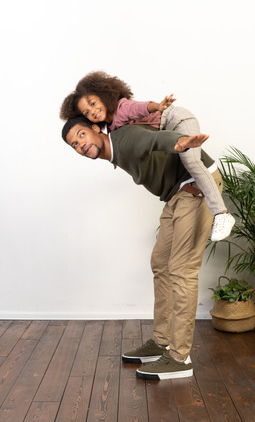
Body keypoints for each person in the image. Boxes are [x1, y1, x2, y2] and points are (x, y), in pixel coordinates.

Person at [61, 115, 222, 380]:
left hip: (196, 186)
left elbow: (154, 139)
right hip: (177, 194)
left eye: (81, 136)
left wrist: (182, 142)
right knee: (160, 263)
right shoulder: (115, 151)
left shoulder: (124, 139)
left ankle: (180, 358)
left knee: (182, 270)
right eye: (74, 145)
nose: (80, 145)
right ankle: (161, 342)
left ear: (94, 128)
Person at [60, 71, 235, 241]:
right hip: (168, 137)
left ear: (103, 95)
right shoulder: (113, 127)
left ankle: (222, 213)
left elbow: (143, 110)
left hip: (176, 119)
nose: (92, 112)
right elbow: (126, 146)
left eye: (92, 103)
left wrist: (159, 108)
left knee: (192, 161)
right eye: (87, 113)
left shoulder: (122, 108)